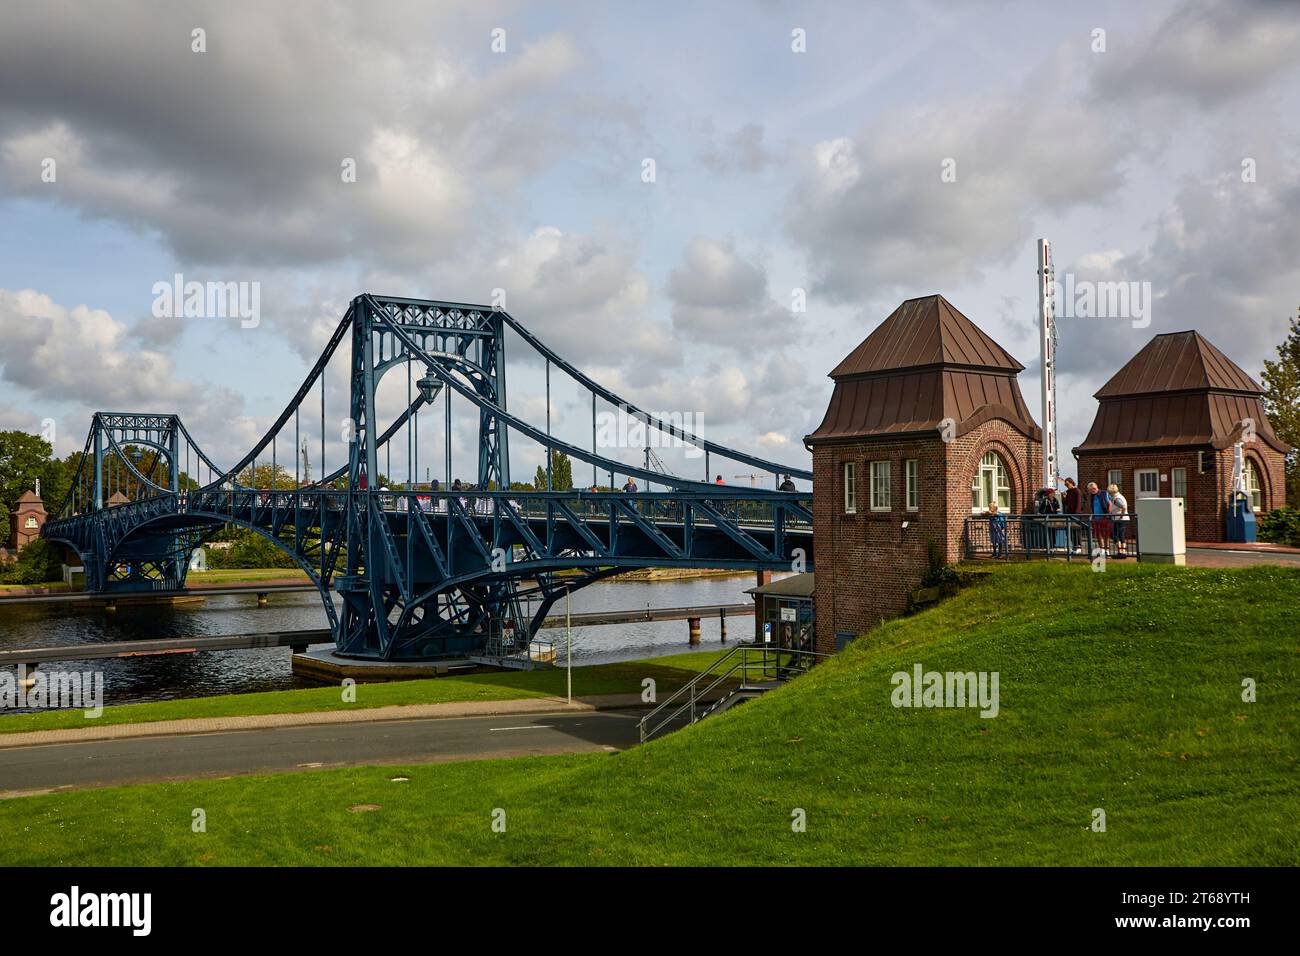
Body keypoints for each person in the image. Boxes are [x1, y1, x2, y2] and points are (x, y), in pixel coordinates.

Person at [1086, 481, 1112, 554]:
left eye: (1090, 490)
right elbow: (1091, 505)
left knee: (1106, 534)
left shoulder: (1104, 493)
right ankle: (1102, 549)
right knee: (1098, 534)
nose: (1089, 492)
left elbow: (1110, 503)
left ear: (1094, 488)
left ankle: (1107, 549)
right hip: (1096, 517)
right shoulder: (1092, 496)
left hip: (1104, 516)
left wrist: (1108, 514)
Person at [1108, 483, 1130, 558]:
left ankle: (1120, 552)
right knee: (1121, 535)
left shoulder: (1116, 498)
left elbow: (1123, 507)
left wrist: (1121, 515)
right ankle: (1123, 552)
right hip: (1123, 519)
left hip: (1119, 519)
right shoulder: (1119, 496)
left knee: (1116, 536)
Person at [1062, 477, 1082, 554]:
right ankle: (1073, 546)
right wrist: (1064, 497)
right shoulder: (1068, 491)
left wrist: (1076, 513)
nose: (1067, 486)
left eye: (1067, 484)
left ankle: (1078, 546)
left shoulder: (1077, 491)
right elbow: (1066, 503)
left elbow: (1078, 503)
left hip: (1075, 514)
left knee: (1076, 530)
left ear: (1071, 483)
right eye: (1065, 485)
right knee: (1070, 531)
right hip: (1069, 513)